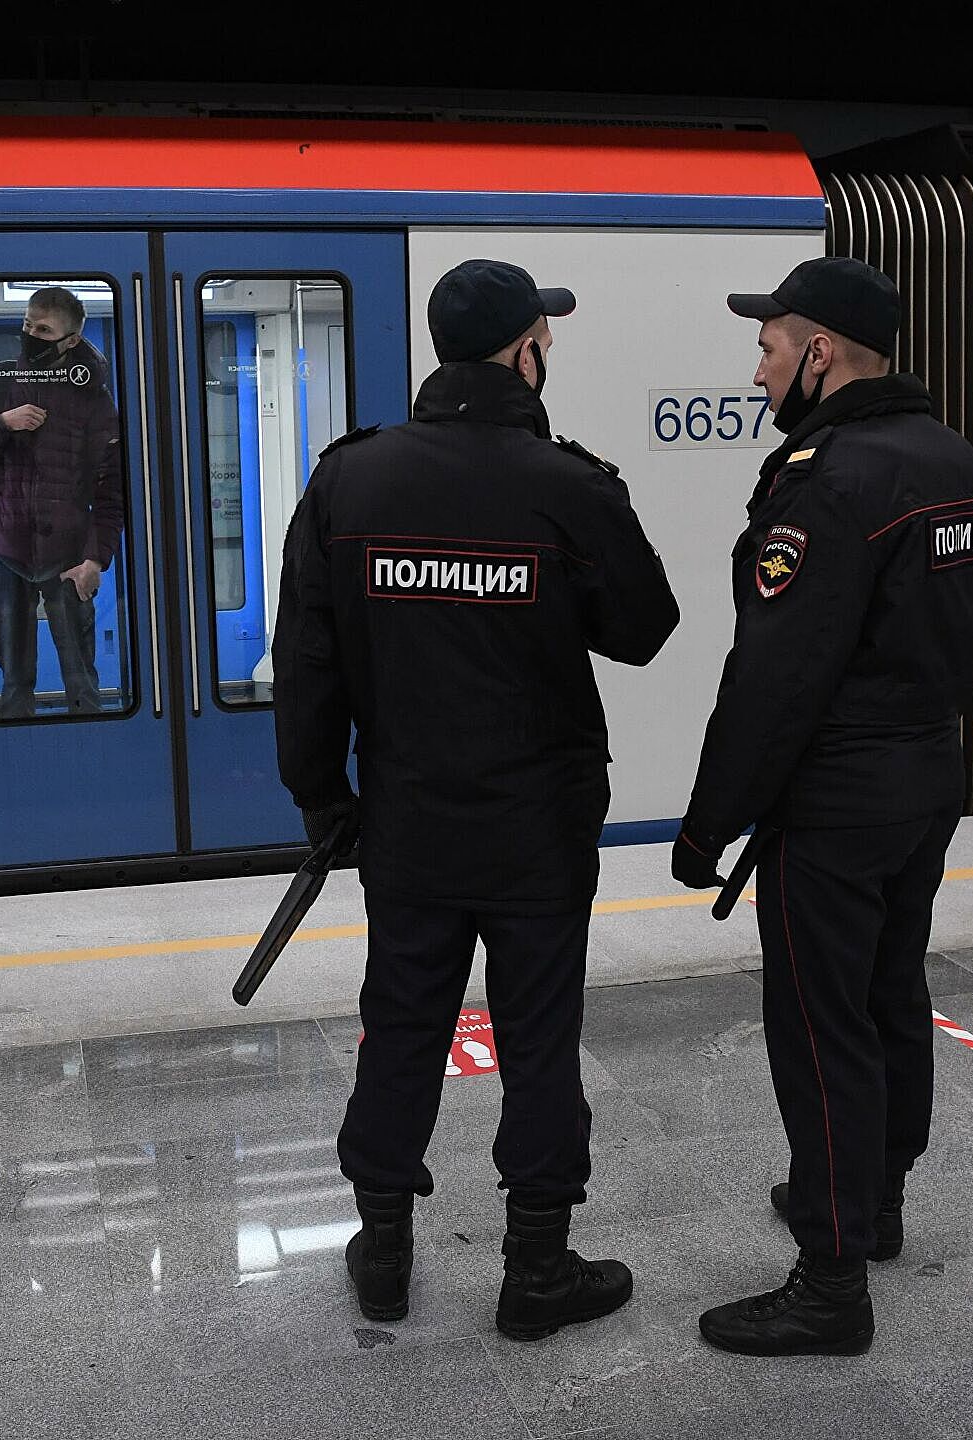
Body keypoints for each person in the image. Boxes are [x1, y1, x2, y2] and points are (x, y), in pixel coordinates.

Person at [273, 259, 680, 1341]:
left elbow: (307, 665)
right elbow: (645, 628)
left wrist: (326, 801)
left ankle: (385, 1255)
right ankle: (537, 1268)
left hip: (408, 818)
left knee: (401, 1023)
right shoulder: (568, 483)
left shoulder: (349, 482)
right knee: (539, 1035)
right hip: (540, 826)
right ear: (524, 351)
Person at [670, 257, 973, 1356]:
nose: (757, 368)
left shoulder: (829, 481)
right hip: (927, 778)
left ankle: (829, 1281)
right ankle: (878, 1203)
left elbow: (777, 675)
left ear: (819, 353)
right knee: (888, 992)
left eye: (769, 345)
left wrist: (708, 822)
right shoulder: (959, 462)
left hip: (838, 797)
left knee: (820, 1027)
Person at [0, 286, 124, 717]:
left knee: (82, 680)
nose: (31, 334)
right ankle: (17, 769)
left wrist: (95, 560)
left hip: (69, 557)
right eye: (27, 324)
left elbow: (111, 491)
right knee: (14, 681)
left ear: (71, 340)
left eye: (43, 329)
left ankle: (91, 761)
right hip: (4, 550)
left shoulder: (94, 399)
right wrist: (0, 425)